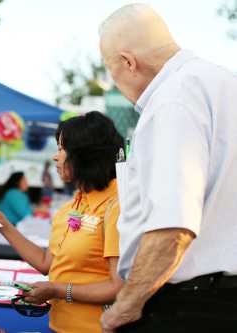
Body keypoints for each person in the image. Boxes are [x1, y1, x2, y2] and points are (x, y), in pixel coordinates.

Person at [98, 4, 237, 333]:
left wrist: (124, 307)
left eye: (110, 71)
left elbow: (172, 226)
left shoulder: (172, 98)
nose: (114, 82)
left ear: (129, 62)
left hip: (186, 307)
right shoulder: (222, 83)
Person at [0, 112, 124, 332]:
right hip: (58, 326)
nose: (55, 157)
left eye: (61, 149)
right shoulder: (70, 207)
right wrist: (3, 225)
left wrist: (58, 291)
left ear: (84, 155)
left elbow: (117, 287)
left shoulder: (116, 207)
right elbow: (46, 263)